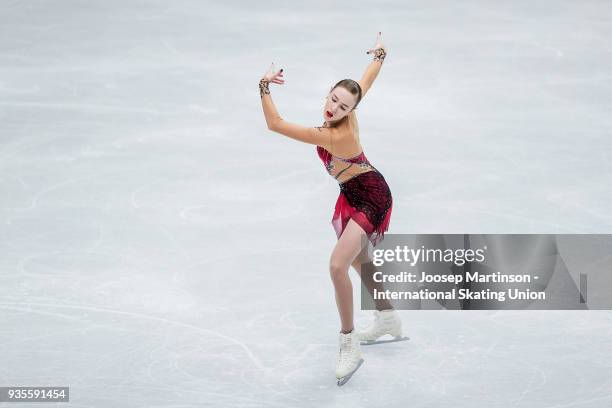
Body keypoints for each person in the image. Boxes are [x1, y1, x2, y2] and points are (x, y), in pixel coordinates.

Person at [259, 32, 403, 386]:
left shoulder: (334, 135)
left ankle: (348, 341)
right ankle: (387, 319)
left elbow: (274, 125)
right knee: (357, 260)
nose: (334, 109)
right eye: (334, 99)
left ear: (351, 112)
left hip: (371, 195)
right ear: (330, 93)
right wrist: (380, 54)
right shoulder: (348, 103)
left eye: (343, 107)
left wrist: (263, 86)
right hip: (352, 193)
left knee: (337, 265)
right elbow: (364, 81)